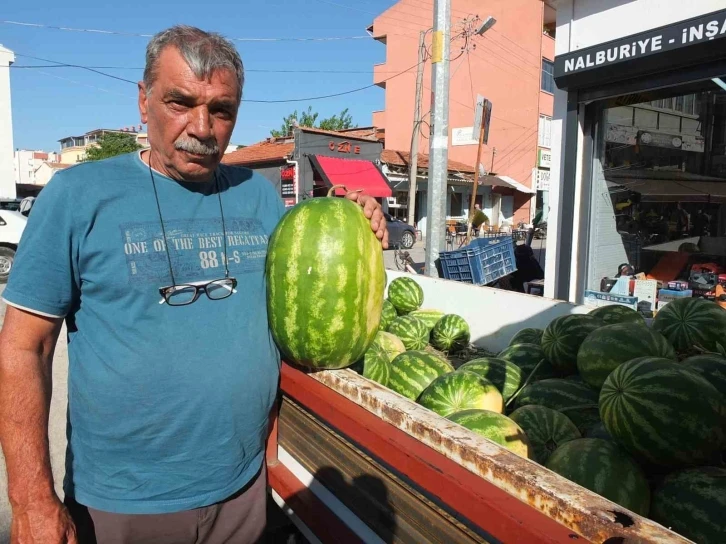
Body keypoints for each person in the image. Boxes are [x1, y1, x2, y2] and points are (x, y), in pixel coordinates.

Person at [0, 25, 387, 544]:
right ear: (143, 100)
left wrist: (358, 217)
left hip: (243, 490)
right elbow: (23, 348)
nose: (202, 127)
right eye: (180, 102)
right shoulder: (78, 194)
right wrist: (30, 500)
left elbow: (318, 266)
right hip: (124, 504)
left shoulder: (260, 198)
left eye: (222, 109)